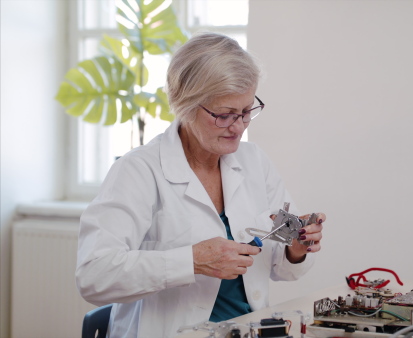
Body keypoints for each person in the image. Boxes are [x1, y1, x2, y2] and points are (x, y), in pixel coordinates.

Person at [75, 32, 325, 338]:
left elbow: (281, 268)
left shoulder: (253, 161)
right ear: (186, 105)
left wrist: (296, 249)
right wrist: (192, 260)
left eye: (247, 111)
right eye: (224, 115)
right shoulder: (139, 170)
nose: (239, 126)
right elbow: (94, 275)